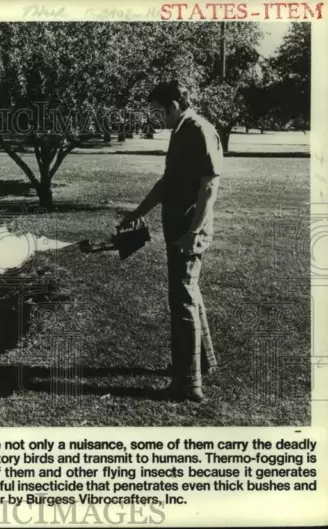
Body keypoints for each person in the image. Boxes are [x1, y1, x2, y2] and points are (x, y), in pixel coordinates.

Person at [120, 80, 223, 402]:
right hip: (179, 230)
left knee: (182, 302)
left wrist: (193, 232)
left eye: (158, 112)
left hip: (187, 232)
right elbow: (168, 182)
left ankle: (187, 385)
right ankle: (204, 364)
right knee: (188, 294)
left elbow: (209, 185)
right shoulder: (182, 130)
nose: (156, 118)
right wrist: (137, 212)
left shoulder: (198, 129)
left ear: (175, 105)